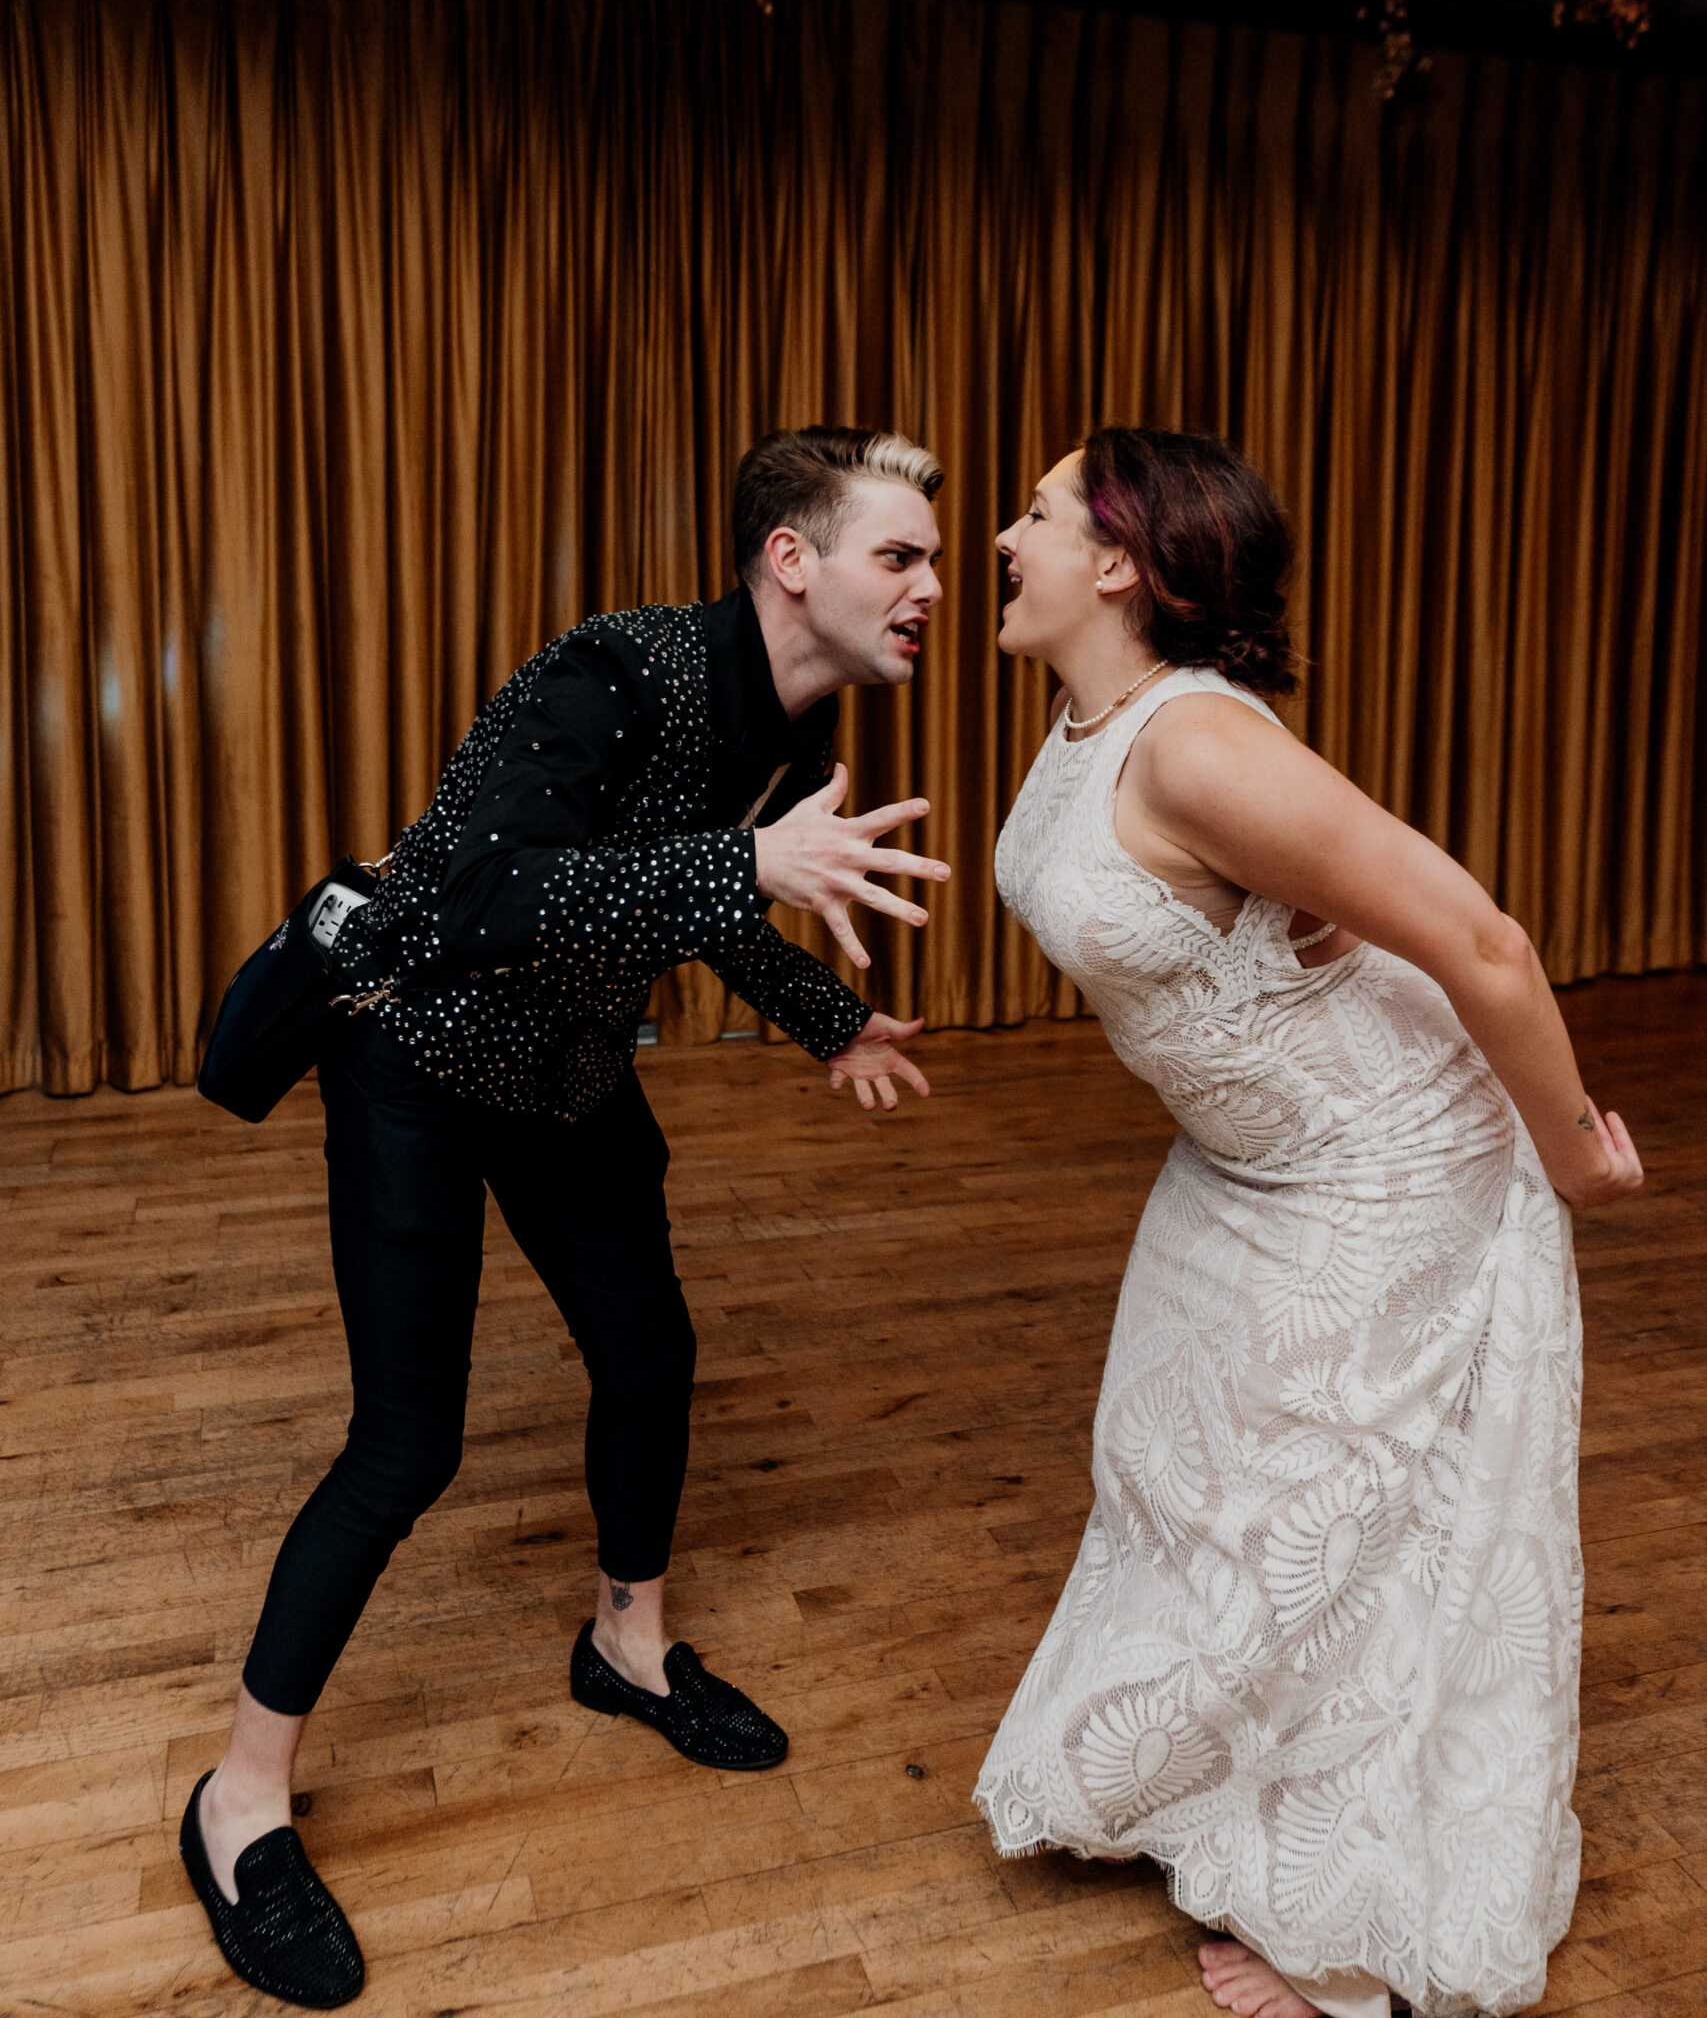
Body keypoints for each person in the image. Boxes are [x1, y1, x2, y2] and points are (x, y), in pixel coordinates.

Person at [180, 425, 951, 2010]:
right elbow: (474, 891)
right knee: (408, 1447)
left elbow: (728, 902)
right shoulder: (623, 665)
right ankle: (238, 1800)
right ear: (790, 561)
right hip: (419, 1054)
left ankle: (628, 1644)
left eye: (938, 558)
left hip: (573, 1070)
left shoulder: (798, 740)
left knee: (651, 1357)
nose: (933, 585)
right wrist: (741, 865)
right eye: (903, 554)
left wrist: (824, 1016)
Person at [973, 426, 1643, 2018]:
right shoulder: (1094, 719)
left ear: (1120, 562)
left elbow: (1482, 940)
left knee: (1337, 1514)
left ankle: (1342, 1903)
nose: (1004, 537)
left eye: (1039, 513)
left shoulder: (1198, 745)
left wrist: (1572, 1160)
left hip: (1386, 1156)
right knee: (1184, 1471)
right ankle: (1199, 1780)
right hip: (1244, 1156)